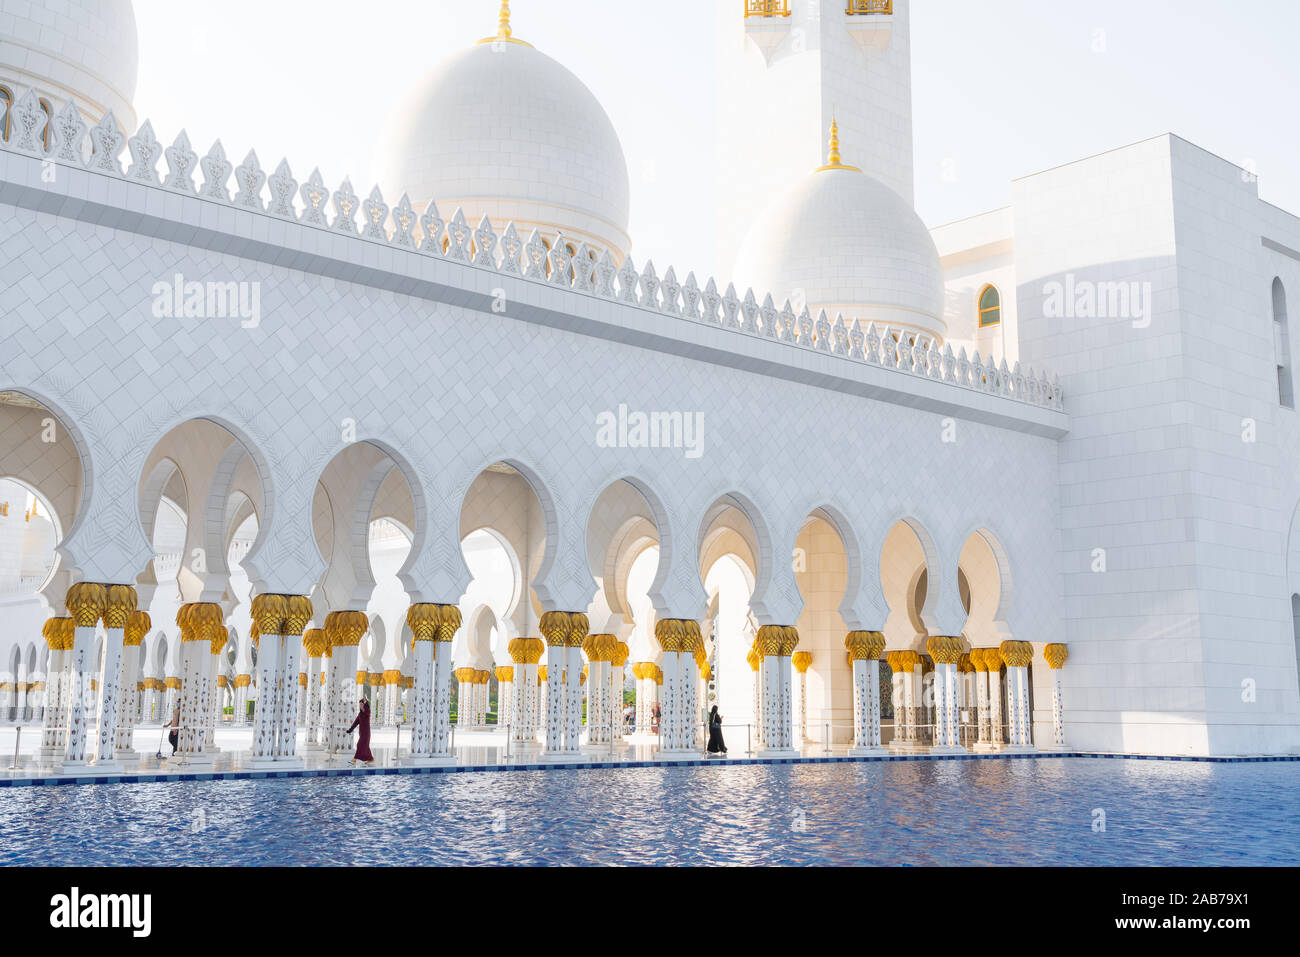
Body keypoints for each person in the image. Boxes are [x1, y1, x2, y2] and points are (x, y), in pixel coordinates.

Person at [347, 696, 374, 765]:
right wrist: (350, 730)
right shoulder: (360, 714)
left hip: (366, 732)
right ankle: (370, 759)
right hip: (361, 733)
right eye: (360, 705)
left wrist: (366, 702)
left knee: (359, 744)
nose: (360, 706)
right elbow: (355, 723)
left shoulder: (367, 712)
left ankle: (354, 759)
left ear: (365, 705)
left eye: (362, 704)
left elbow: (366, 709)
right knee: (365, 746)